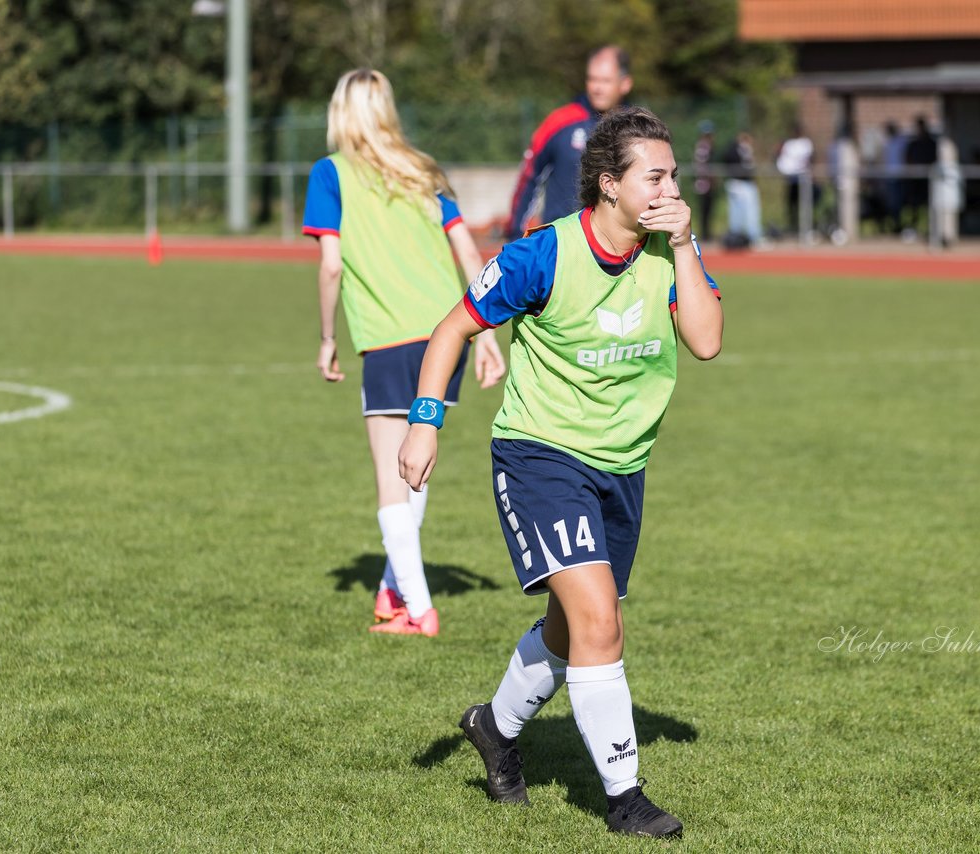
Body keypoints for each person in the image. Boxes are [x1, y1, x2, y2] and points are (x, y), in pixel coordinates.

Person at [399, 107, 723, 837]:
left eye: (674, 174)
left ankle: (494, 728)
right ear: (610, 185)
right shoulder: (540, 256)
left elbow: (705, 341)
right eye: (657, 175)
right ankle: (625, 798)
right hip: (540, 456)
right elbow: (453, 328)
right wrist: (425, 423)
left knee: (570, 627)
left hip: (623, 465)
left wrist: (687, 241)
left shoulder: (670, 252)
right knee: (601, 622)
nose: (673, 186)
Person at [302, 68, 505, 637]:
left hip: (389, 340)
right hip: (448, 336)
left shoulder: (330, 173)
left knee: (393, 482)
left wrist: (326, 339)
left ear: (340, 113)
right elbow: (470, 253)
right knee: (415, 471)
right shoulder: (423, 169)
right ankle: (392, 593)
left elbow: (332, 264)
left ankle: (419, 611)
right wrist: (485, 333)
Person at [505, 45, 632, 238]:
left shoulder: (637, 129)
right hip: (561, 244)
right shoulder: (559, 122)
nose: (597, 88)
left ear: (625, 84)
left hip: (617, 248)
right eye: (592, 79)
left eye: (605, 81)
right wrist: (515, 233)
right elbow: (529, 176)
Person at [721, 131, 765, 248]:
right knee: (738, 212)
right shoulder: (735, 150)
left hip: (746, 184)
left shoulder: (747, 151)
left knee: (750, 211)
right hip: (738, 183)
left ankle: (751, 236)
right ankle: (737, 237)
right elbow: (728, 159)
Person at [775, 122, 814, 236]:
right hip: (791, 180)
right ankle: (793, 227)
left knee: (805, 204)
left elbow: (809, 159)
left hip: (802, 180)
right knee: (792, 205)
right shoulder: (788, 143)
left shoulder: (806, 143)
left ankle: (806, 228)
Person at [691, 120, 717, 241]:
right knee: (704, 209)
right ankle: (704, 233)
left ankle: (707, 232)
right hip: (703, 183)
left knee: (709, 209)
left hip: (708, 183)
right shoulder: (703, 146)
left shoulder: (709, 146)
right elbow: (701, 165)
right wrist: (709, 177)